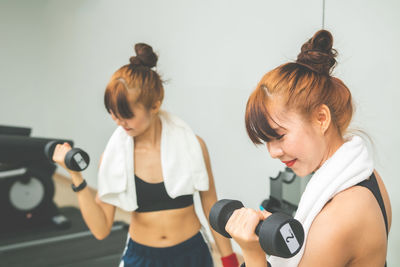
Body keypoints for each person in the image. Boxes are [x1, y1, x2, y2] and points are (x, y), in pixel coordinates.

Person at [53, 43, 240, 267]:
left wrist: (229, 259)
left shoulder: (193, 145)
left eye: (127, 114)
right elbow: (101, 229)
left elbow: (210, 204)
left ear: (155, 105)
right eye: (113, 113)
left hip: (191, 254)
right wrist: (76, 177)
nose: (119, 122)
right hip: (142, 257)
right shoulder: (113, 158)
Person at [225, 30, 392, 267]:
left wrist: (252, 253)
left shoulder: (339, 217)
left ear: (321, 118)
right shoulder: (369, 177)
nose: (273, 152)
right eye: (267, 141)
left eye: (279, 136)